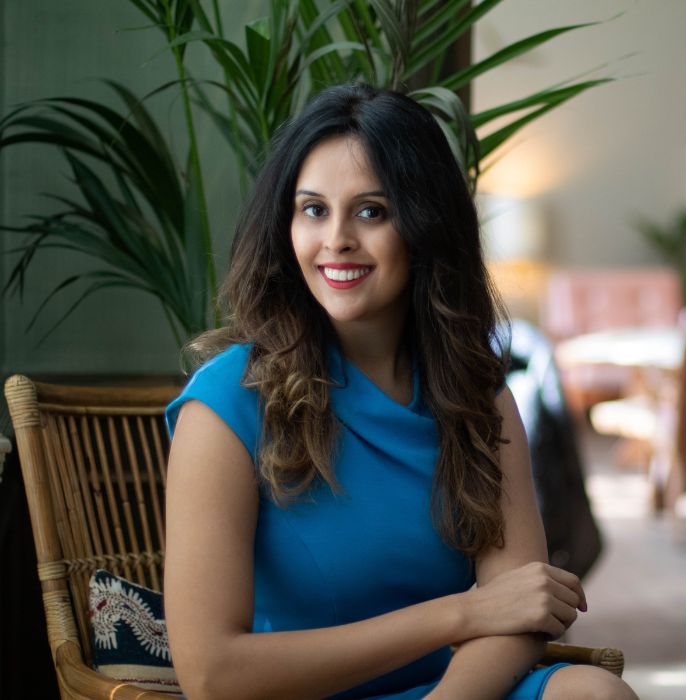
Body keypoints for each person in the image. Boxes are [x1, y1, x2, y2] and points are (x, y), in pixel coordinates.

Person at [164, 84, 637, 700]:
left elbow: (521, 610)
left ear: (423, 226)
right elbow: (211, 674)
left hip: (452, 690)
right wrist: (458, 615)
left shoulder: (479, 398)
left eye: (371, 211)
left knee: (596, 695)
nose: (336, 239)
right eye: (313, 210)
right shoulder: (226, 404)